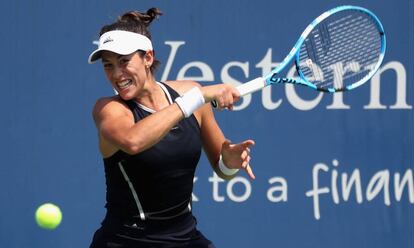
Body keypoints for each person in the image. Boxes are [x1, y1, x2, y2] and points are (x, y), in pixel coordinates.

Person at [88, 7, 255, 248]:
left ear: (147, 57)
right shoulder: (109, 109)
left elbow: (223, 169)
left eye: (124, 62)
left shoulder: (190, 94)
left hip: (185, 238)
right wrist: (198, 97)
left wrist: (229, 161)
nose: (116, 74)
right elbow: (133, 141)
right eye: (108, 65)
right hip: (127, 242)